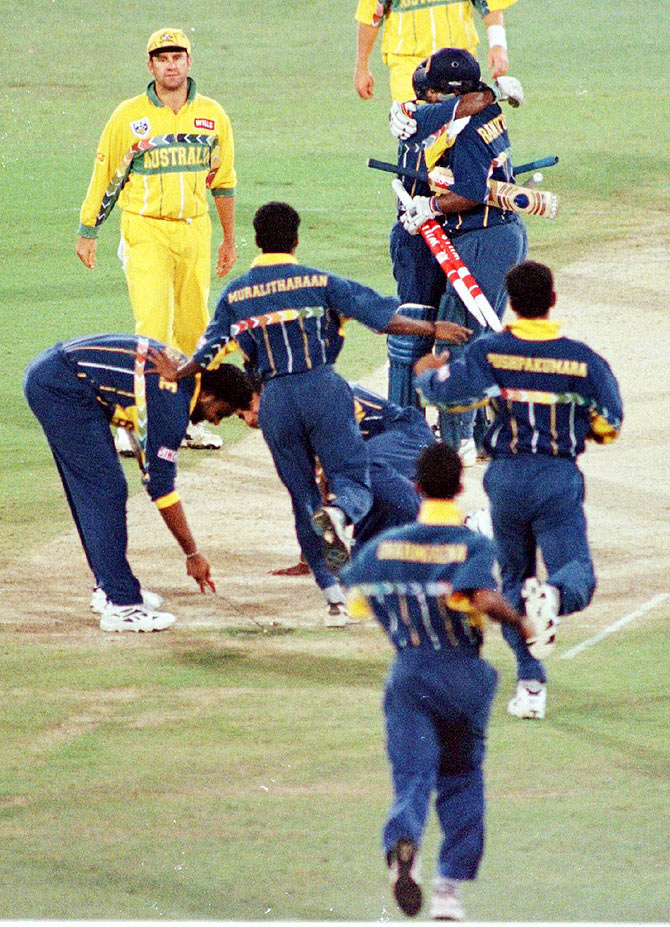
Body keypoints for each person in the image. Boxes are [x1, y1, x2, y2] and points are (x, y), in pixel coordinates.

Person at [149, 201, 471, 628]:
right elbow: (381, 318)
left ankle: (334, 599)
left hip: (277, 400)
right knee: (350, 478)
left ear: (258, 240)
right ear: (296, 239)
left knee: (302, 497)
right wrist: (432, 330)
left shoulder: (236, 294)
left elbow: (208, 352)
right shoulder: (320, 281)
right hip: (322, 388)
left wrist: (181, 370)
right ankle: (341, 516)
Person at [339, 442, 549, 920]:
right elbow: (479, 596)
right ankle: (448, 891)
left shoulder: (383, 546)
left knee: (412, 777)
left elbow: (358, 592)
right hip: (462, 676)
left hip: (409, 674)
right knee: (461, 778)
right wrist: (520, 622)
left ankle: (403, 844)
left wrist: (399, 624)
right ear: (459, 487)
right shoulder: (474, 545)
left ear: (416, 486)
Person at [414, 261, 623, 718]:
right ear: (552, 299)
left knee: (514, 581)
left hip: (506, 481)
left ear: (510, 302)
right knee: (575, 573)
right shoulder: (583, 359)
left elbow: (450, 397)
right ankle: (554, 599)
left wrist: (425, 373)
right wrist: (580, 425)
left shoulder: (491, 351)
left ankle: (530, 687)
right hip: (556, 478)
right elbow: (610, 425)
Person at [76, 27, 237, 451]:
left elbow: (223, 181)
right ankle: (132, 424)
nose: (170, 64)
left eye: (177, 57)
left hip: (194, 231)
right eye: (162, 58)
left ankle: (183, 420)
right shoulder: (127, 116)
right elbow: (105, 174)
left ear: (189, 62)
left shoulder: (213, 115)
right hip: (145, 228)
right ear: (150, 65)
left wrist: (228, 239)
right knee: (152, 328)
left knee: (193, 329)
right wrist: (88, 229)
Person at [23, 336, 253, 632]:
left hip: (57, 375)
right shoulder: (174, 401)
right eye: (221, 412)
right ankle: (122, 605)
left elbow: (138, 414)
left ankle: (110, 587)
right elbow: (162, 489)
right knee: (104, 490)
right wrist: (192, 554)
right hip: (62, 385)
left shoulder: (182, 378)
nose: (216, 422)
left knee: (97, 489)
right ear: (208, 393)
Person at [391, 47, 528, 464]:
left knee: (460, 338)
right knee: (472, 335)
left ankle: (459, 440)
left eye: (432, 88)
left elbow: (469, 192)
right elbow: (434, 117)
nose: (424, 92)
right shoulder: (480, 113)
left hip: (483, 238)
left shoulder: (467, 130)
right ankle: (484, 435)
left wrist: (430, 207)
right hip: (493, 236)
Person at [235, 378, 438, 577]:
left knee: (359, 474)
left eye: (247, 406)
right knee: (361, 570)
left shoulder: (308, 398)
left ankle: (447, 527)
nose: (249, 420)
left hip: (406, 437)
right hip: (379, 455)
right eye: (240, 417)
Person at [354, 0, 518, 103]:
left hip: (459, 63)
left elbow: (489, 4)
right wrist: (362, 67)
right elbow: (371, 16)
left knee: (464, 133)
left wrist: (498, 44)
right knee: (417, 129)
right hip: (410, 65)